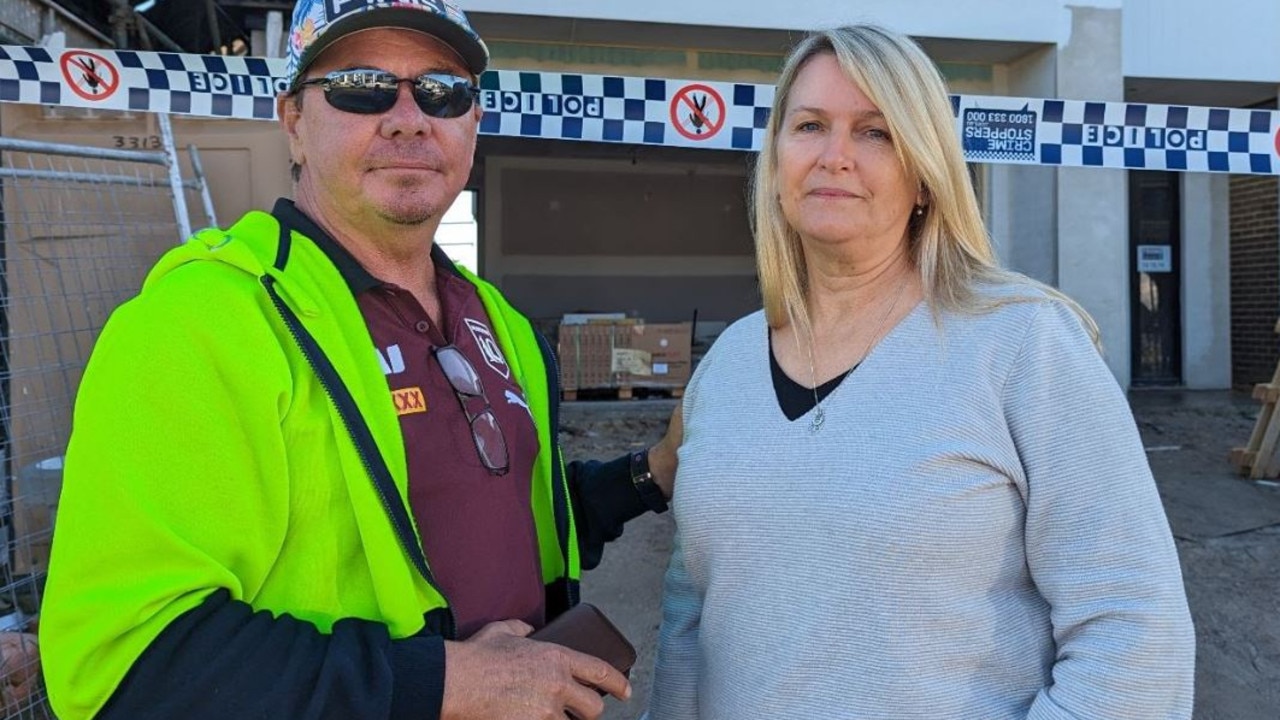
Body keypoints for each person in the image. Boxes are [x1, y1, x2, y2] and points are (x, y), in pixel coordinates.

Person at [39, 2, 681, 719]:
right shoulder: (202, 325)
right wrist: (445, 683)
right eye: (362, 86)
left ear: (473, 122)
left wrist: (650, 475)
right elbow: (123, 663)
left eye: (443, 91)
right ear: (293, 121)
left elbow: (495, 514)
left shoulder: (498, 321)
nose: (408, 118)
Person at [646, 24, 1195, 720]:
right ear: (776, 157)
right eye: (810, 124)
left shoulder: (1023, 344)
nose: (835, 156)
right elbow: (693, 610)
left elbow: (1134, 626)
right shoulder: (727, 365)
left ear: (926, 176)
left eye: (876, 132)